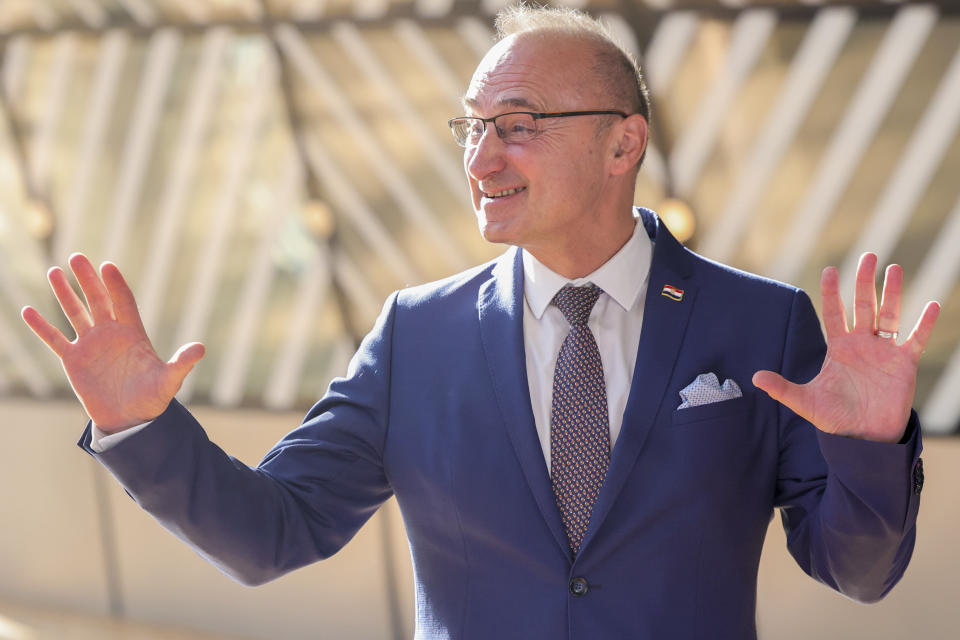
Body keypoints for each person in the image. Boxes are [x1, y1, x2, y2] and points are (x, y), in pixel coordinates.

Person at [21, 6, 940, 639]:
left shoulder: (763, 324)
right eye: (470, 127)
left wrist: (870, 444)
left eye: (519, 123)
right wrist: (140, 427)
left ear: (623, 143)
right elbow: (273, 533)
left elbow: (855, 570)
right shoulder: (417, 336)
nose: (482, 156)